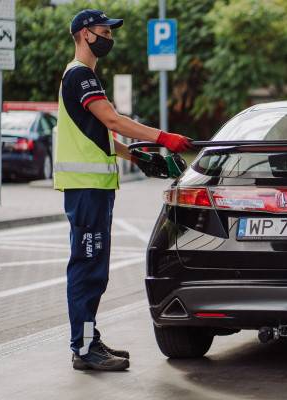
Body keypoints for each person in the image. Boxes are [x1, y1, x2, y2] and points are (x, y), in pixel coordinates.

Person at [55, 9, 193, 371]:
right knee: (87, 269)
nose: (109, 38)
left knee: (94, 269)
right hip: (86, 190)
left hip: (93, 189)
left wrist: (136, 155)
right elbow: (113, 120)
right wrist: (163, 138)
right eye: (104, 31)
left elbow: (100, 133)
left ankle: (88, 340)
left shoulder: (79, 76)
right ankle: (84, 348)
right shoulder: (81, 75)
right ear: (85, 35)